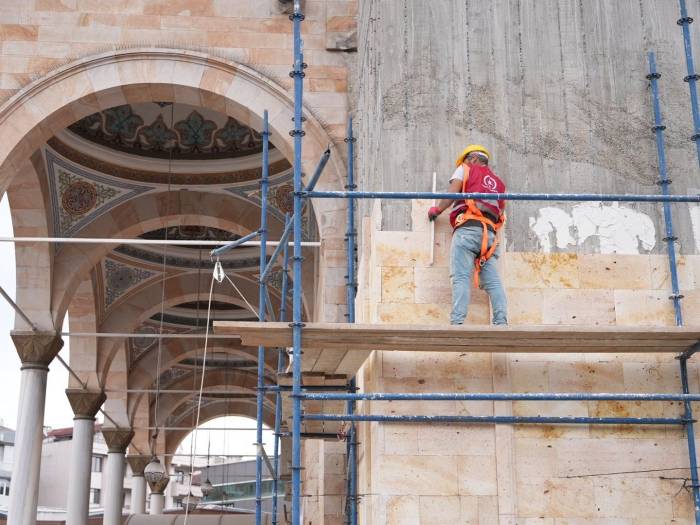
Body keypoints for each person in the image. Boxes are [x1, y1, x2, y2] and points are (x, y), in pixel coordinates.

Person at [428, 145, 507, 325]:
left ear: (472, 159)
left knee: (461, 277)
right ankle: (501, 323)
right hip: (490, 237)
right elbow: (500, 212)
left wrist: (437, 210)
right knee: (493, 283)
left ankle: (457, 323)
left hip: (468, 230)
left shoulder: (465, 169)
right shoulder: (499, 184)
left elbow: (452, 194)